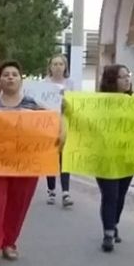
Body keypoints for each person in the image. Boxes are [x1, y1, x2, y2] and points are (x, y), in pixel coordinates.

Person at [0, 60, 60, 266]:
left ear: (21, 79)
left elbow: (55, 122)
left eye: (15, 74)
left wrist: (61, 133)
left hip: (25, 166)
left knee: (18, 204)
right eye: (6, 74)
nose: (10, 77)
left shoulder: (32, 104)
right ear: (0, 80)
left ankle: (9, 243)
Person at [95, 64, 134, 253]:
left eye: (128, 76)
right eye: (122, 77)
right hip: (104, 156)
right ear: (112, 81)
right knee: (110, 194)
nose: (127, 79)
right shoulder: (99, 104)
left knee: (120, 194)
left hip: (127, 156)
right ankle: (108, 232)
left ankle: (113, 223)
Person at [44, 53, 75, 208]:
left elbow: (75, 104)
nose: (57, 67)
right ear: (50, 67)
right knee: (51, 157)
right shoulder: (45, 83)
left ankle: (66, 192)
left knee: (64, 157)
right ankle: (51, 190)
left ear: (65, 67)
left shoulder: (70, 83)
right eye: (54, 64)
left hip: (64, 122)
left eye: (60, 64)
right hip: (49, 123)